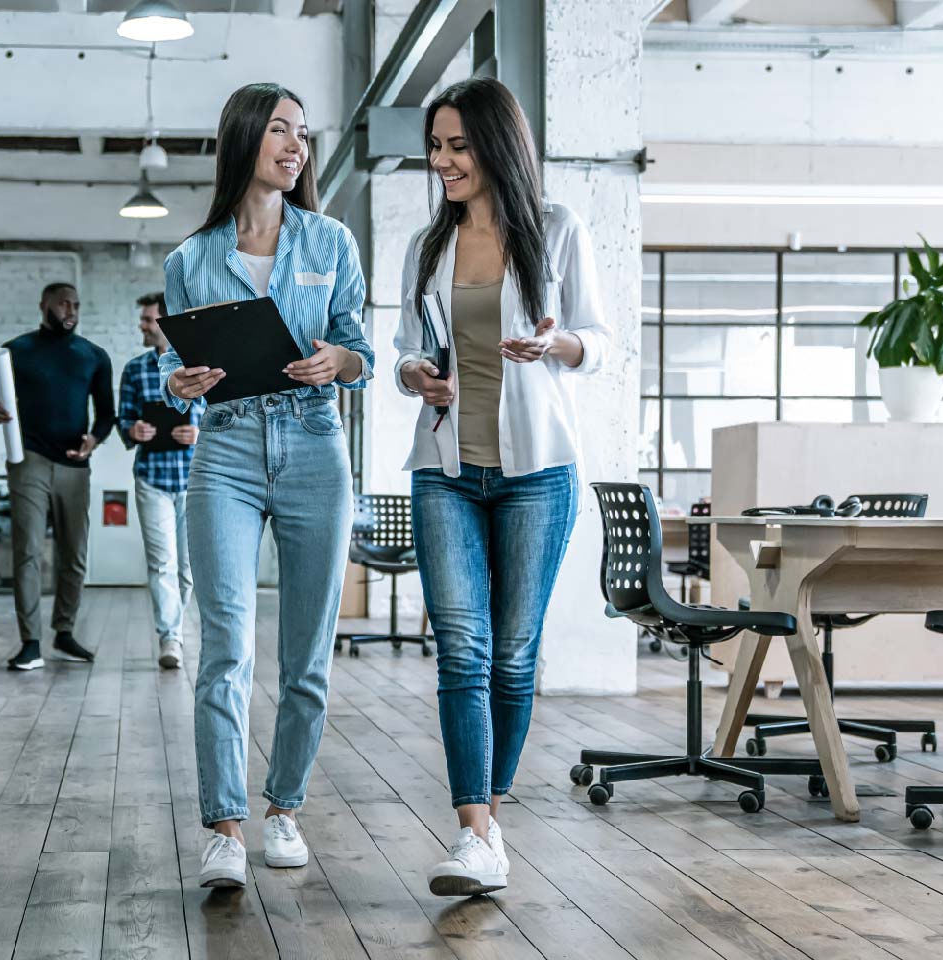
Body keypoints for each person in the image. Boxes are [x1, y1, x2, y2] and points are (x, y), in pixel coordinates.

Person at [393, 77, 610, 897]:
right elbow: (407, 349)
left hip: (536, 475)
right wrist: (418, 374)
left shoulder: (556, 231)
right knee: (463, 649)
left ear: (496, 146)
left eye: (458, 146)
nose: (444, 162)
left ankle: (492, 803)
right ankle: (474, 829)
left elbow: (602, 339)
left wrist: (558, 348)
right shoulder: (428, 244)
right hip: (446, 470)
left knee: (514, 657)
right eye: (436, 148)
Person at [159, 82, 374, 889]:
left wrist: (340, 361)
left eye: (303, 134)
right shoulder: (190, 258)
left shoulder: (331, 243)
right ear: (246, 138)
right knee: (225, 650)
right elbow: (180, 368)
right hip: (228, 451)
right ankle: (223, 826)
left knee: (307, 654)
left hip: (316, 445)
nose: (296, 146)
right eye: (281, 130)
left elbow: (360, 350)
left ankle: (285, 809)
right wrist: (180, 383)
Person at [0, 282, 114, 671]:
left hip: (75, 465)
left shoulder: (94, 356)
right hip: (30, 461)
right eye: (62, 303)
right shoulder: (15, 351)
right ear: (44, 305)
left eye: (75, 304)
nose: (70, 310)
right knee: (27, 551)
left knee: (74, 554)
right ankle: (30, 642)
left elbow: (107, 414)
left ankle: (64, 631)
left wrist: (94, 440)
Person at [117, 291, 202, 670]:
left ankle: (176, 629)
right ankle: (170, 637)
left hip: (195, 479)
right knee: (162, 562)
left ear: (166, 323)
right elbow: (123, 420)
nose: (143, 326)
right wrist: (133, 430)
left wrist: (199, 433)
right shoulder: (135, 370)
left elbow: (223, 415)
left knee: (187, 569)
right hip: (152, 478)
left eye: (148, 320)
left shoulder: (202, 365)